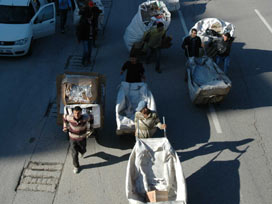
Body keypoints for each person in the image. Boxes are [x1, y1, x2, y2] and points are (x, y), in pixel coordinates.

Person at [63, 106, 93, 174]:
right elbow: (64, 117)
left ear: (81, 113)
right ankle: (76, 166)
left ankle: (82, 152)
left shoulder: (85, 117)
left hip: (82, 138)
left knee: (83, 149)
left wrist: (91, 126)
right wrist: (65, 126)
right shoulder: (70, 118)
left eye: (78, 113)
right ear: (73, 113)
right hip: (72, 138)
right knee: (74, 153)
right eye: (75, 113)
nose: (76, 115)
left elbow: (91, 117)